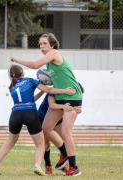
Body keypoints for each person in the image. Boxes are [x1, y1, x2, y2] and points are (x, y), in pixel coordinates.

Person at [11, 32, 83, 176]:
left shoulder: (54, 53)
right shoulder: (50, 63)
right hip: (60, 96)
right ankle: (63, 154)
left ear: (53, 44)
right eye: (40, 44)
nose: (42, 46)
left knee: (66, 132)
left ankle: (74, 168)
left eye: (44, 43)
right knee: (45, 128)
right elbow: (62, 78)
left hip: (71, 96)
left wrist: (17, 60)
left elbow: (35, 65)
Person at [0, 64, 75, 176]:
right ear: (23, 73)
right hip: (29, 113)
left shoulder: (11, 86)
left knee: (10, 140)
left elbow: (31, 99)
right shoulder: (29, 80)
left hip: (15, 114)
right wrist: (64, 91)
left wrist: (41, 91)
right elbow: (48, 90)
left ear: (11, 76)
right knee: (40, 143)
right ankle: (37, 166)